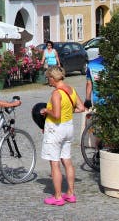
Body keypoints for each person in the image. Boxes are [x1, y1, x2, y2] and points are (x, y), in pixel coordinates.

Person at [39, 66, 85, 206]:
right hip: (68, 127)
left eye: (48, 78)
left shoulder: (56, 94)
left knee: (54, 163)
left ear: (53, 78)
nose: (48, 81)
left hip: (56, 129)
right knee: (67, 160)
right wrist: (69, 111)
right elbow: (81, 108)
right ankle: (70, 193)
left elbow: (56, 115)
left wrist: (46, 110)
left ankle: (58, 196)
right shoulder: (71, 90)